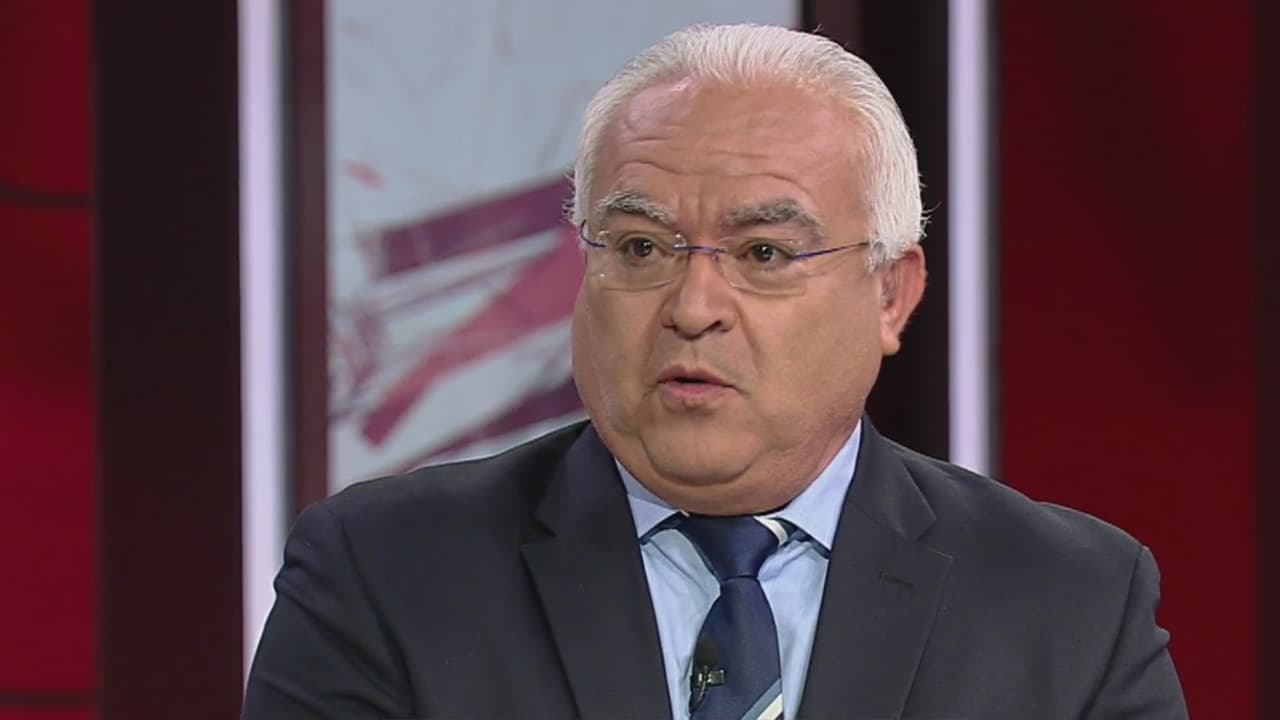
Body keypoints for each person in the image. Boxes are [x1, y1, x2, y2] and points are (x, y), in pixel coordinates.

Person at [243, 23, 1187, 719]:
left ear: (890, 295)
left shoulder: (1067, 602)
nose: (692, 306)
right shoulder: (386, 574)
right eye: (640, 248)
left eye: (764, 253)